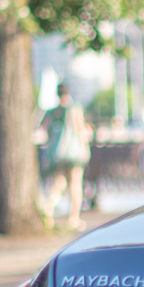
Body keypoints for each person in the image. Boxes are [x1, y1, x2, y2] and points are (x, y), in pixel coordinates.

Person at [37, 80, 91, 226]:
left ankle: (48, 209)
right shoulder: (75, 109)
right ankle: (73, 219)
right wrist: (86, 147)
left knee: (59, 182)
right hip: (74, 152)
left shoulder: (52, 111)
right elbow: (80, 129)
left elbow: (44, 130)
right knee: (75, 183)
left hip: (57, 152)